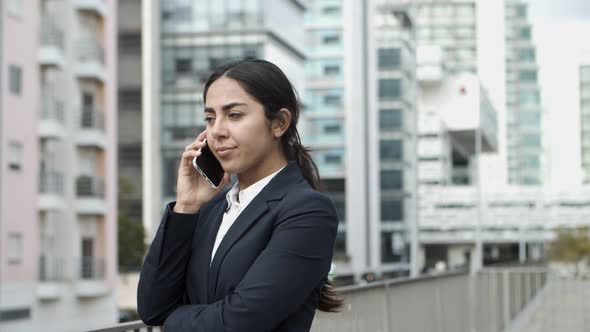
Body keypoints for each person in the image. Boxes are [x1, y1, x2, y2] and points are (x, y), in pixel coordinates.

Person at [137, 58, 343, 331]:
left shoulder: (308, 211)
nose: (217, 131)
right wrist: (186, 206)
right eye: (210, 118)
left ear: (279, 122)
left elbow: (240, 322)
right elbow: (153, 308)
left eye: (234, 115)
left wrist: (173, 322)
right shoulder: (210, 210)